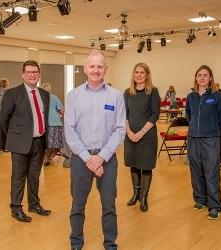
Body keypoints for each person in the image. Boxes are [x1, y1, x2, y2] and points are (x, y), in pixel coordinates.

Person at [64, 50, 126, 250]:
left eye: (100, 66)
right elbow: (70, 131)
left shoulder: (116, 96)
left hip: (107, 159)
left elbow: (119, 130)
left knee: (109, 205)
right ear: (85, 68)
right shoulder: (73, 96)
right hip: (80, 160)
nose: (96, 70)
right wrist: (88, 159)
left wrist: (100, 157)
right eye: (92, 66)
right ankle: (76, 243)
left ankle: (110, 244)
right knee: (77, 205)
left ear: (106, 69)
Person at [0, 60, 51, 223]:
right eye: (29, 72)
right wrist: (15, 135)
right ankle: (16, 208)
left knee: (34, 175)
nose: (32, 75)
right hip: (20, 143)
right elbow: (3, 118)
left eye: (35, 72)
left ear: (39, 74)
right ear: (23, 74)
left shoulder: (44, 94)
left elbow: (44, 117)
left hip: (39, 142)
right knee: (18, 177)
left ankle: (34, 204)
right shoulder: (13, 93)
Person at [185, 65, 221, 220]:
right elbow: (189, 115)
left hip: (210, 139)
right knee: (196, 171)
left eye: (205, 75)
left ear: (210, 78)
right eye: (199, 75)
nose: (202, 78)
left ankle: (216, 205)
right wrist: (194, 130)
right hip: (193, 138)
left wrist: (212, 130)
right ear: (196, 78)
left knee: (211, 172)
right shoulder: (191, 97)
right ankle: (201, 199)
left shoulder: (217, 96)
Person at [124, 63, 160, 212]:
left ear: (147, 75)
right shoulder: (127, 92)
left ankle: (144, 197)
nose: (139, 75)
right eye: (136, 72)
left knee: (145, 166)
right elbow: (124, 114)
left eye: (142, 72)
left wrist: (141, 132)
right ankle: (136, 194)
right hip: (130, 135)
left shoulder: (153, 91)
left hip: (147, 136)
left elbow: (155, 114)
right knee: (133, 164)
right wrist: (128, 132)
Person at [41, 83, 65, 161]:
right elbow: (62, 110)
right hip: (55, 123)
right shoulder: (54, 97)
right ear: (50, 90)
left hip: (45, 124)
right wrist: (62, 116)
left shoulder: (40, 99)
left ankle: (48, 157)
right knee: (57, 142)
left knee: (48, 142)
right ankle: (57, 153)